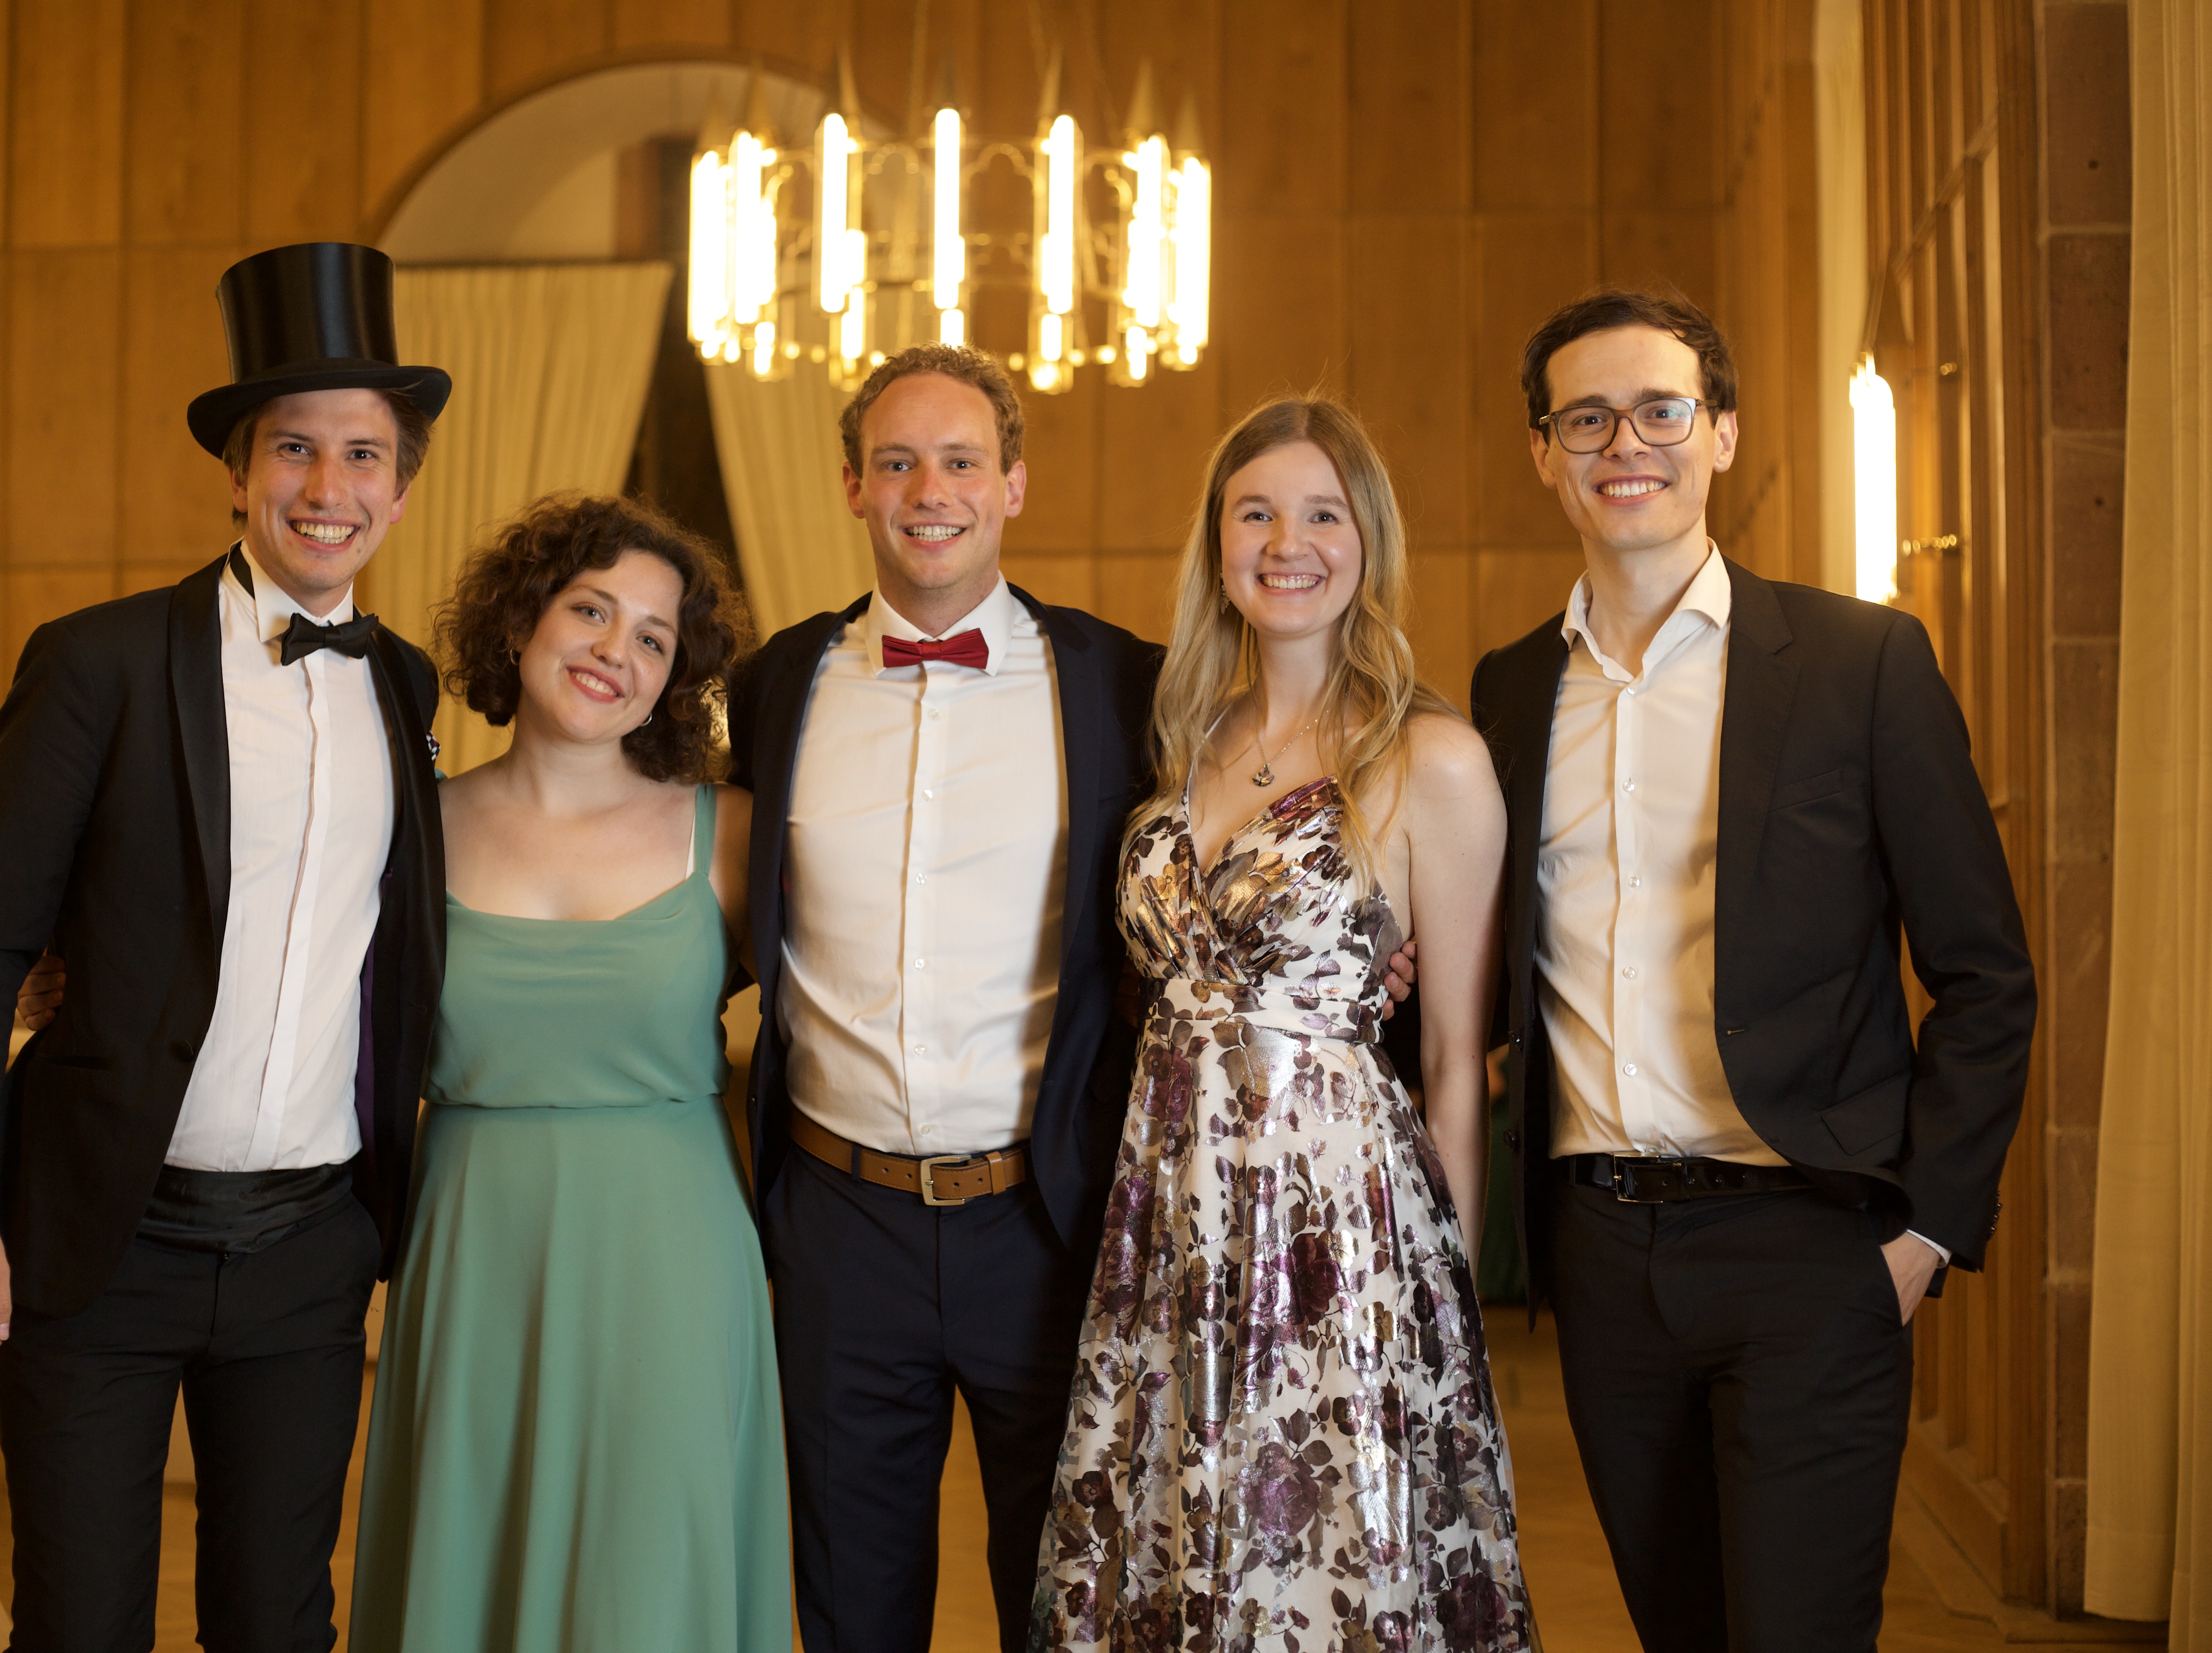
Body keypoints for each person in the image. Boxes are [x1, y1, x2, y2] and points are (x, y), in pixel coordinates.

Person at [0, 241, 452, 1650]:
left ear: (402, 487)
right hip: (102, 1234)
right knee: (81, 1623)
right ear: (238, 471)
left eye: (364, 456)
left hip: (311, 1250)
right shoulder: (98, 663)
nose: (328, 488)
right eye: (295, 449)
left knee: (281, 1623)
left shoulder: (405, 686)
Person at [1468, 288, 2034, 1653]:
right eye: (1586, 418)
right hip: (1601, 1254)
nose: (1627, 443)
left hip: (1811, 1246)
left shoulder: (1861, 662)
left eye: (1662, 410)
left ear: (1721, 432)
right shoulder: (1507, 692)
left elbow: (1986, 972)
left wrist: (1924, 1234)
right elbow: (1486, 970)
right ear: (1544, 452)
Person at [1029, 397, 1533, 1650]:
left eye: (1321, 513)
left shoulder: (1431, 758)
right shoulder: (1180, 737)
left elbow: (1453, 1060)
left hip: (1338, 1226)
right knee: (1175, 1537)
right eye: (1254, 512)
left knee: (1320, 1554)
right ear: (1216, 543)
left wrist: (1440, 1313)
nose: (1285, 542)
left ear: (1368, 542)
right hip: (1167, 1208)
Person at [726, 344, 1165, 1651]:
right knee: (850, 1609)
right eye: (898, 462)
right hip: (836, 1222)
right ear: (852, 485)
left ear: (1012, 484)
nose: (931, 491)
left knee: (1065, 1604)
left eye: (962, 461)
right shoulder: (777, 683)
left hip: (1050, 1216)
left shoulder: (1123, 683)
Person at [348, 492, 788, 1651]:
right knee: (470, 1561)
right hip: (473, 1249)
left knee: (648, 1583)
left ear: (674, 677)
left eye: (652, 636)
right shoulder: (409, 827)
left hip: (671, 1260)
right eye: (590, 610)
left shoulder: (732, 832)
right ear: (519, 622)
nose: (614, 651)